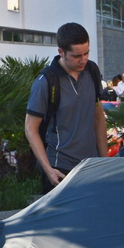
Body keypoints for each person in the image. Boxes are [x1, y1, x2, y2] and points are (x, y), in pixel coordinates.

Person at [25, 22, 107, 192]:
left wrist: (105, 161)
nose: (83, 59)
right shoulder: (46, 82)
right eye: (77, 56)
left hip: (91, 165)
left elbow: (98, 117)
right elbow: (30, 128)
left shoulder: (92, 71)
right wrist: (48, 170)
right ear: (61, 52)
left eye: (86, 53)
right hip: (59, 167)